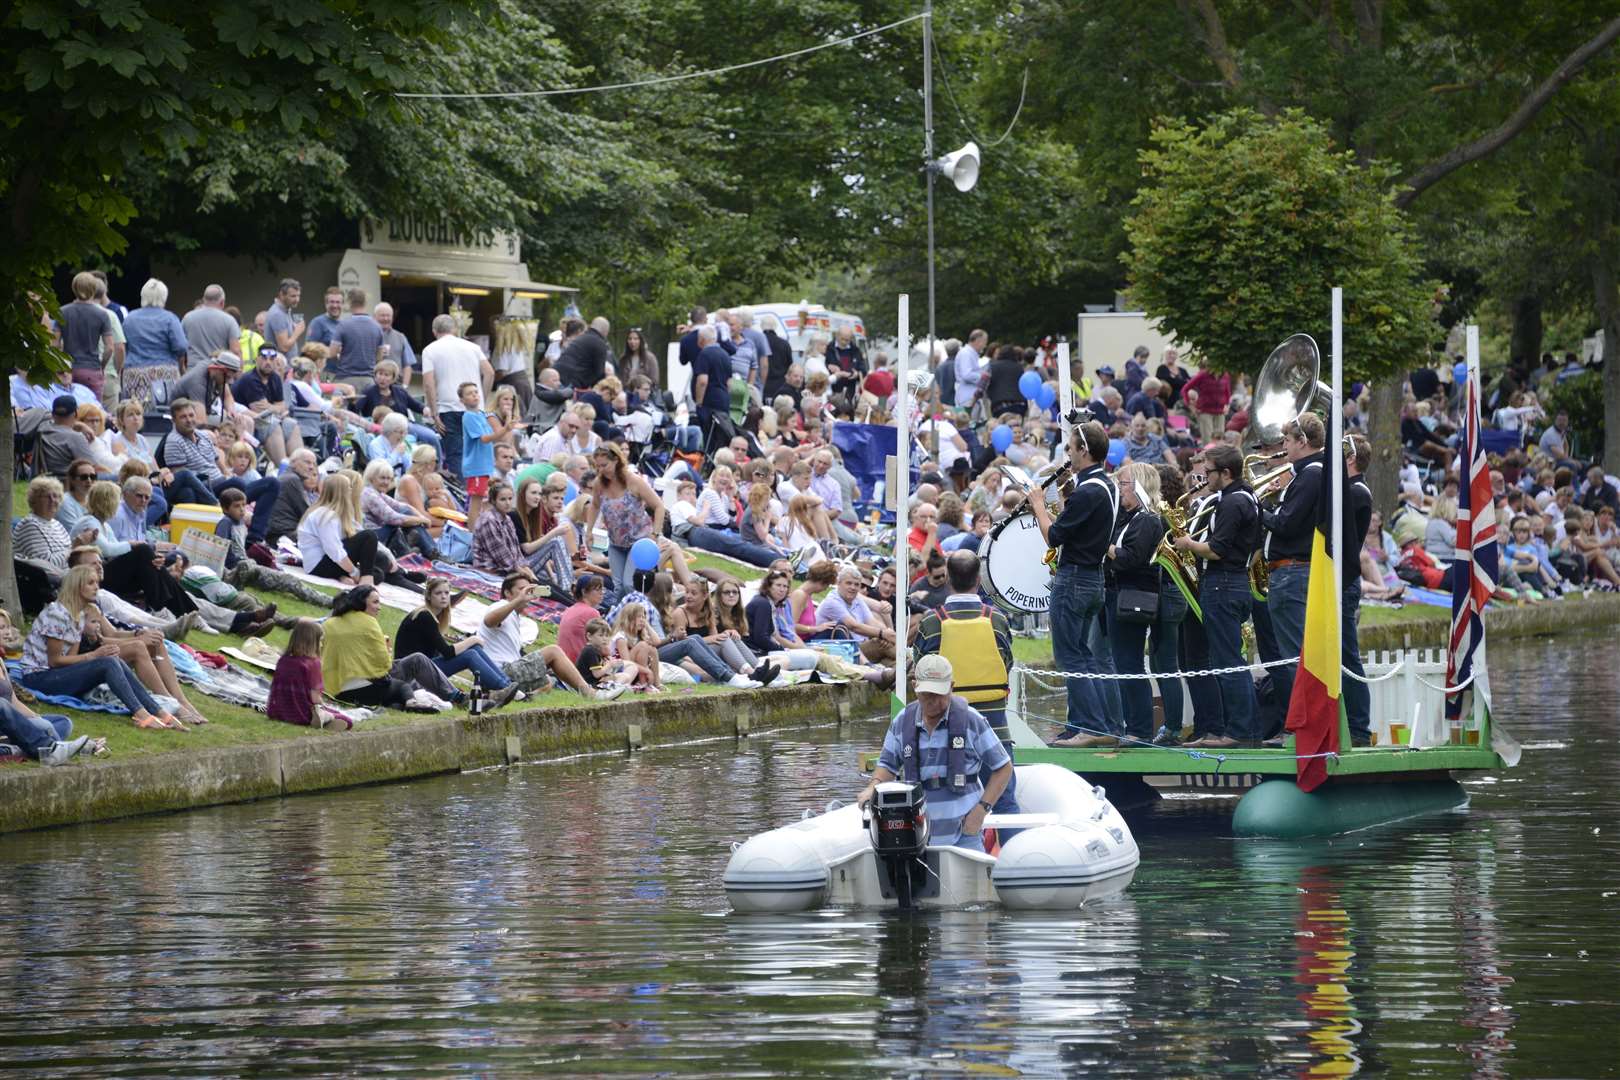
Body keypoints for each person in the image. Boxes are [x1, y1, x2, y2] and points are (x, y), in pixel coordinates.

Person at [856, 654, 1013, 853]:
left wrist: (982, 810)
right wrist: (873, 787)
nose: (933, 701)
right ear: (915, 686)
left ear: (952, 686)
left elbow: (1003, 767)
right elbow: (887, 765)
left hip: (964, 835)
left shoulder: (971, 721)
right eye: (927, 694)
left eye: (939, 694)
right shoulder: (903, 722)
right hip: (916, 835)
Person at [1029, 420, 1119, 746]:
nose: (1068, 453)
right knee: (1085, 654)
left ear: (1084, 450)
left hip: (1076, 578)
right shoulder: (1107, 486)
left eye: (1070, 448)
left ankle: (1091, 729)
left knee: (1071, 656)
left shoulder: (1089, 491)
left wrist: (1039, 505)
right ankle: (1102, 726)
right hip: (1093, 577)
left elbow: (1053, 537)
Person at [15, 565, 183, 731]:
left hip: (56, 674)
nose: (97, 587)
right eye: (91, 583)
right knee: (107, 663)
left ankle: (158, 711)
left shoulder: (78, 615)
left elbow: (71, 660)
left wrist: (101, 655)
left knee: (112, 660)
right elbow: (55, 661)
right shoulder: (57, 614)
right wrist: (94, 656)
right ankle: (142, 714)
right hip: (39, 677)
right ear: (77, 586)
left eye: (96, 582)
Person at [1174, 445, 1262, 747]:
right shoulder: (1248, 497)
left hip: (1222, 583)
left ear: (1226, 473)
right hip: (1235, 580)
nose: (1205, 477)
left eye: (1209, 471)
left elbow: (1216, 548)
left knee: (1227, 661)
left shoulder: (1232, 502)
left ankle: (1239, 731)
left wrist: (1187, 543)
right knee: (1229, 659)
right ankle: (1245, 729)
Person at [1259, 413, 1325, 712]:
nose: (1283, 446)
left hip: (1291, 570)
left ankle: (1300, 725)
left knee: (1292, 655)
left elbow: (1286, 524)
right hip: (1293, 570)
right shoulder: (1308, 473)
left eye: (1287, 440)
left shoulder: (1310, 473)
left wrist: (1255, 506)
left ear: (1303, 442)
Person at [480, 573, 627, 699]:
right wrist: (518, 600)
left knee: (548, 682)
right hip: (498, 672)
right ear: (507, 593)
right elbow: (488, 621)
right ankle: (591, 694)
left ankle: (515, 698)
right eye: (521, 590)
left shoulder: (514, 616)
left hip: (504, 672)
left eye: (529, 590)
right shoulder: (499, 605)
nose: (526, 593)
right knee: (553, 651)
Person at [1101, 463, 1166, 741]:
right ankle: (1129, 725)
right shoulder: (1127, 516)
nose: (1120, 489)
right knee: (1121, 662)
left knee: (1130, 664)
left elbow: (1131, 558)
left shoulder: (1147, 519)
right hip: (1117, 593)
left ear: (1139, 486)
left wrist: (1103, 543)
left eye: (1124, 484)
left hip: (1132, 596)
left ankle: (1139, 729)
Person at [321, 586, 463, 709]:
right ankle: (457, 697)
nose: (379, 607)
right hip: (366, 682)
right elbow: (384, 664)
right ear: (361, 602)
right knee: (417, 661)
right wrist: (387, 652)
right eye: (375, 602)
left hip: (335, 687)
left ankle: (440, 697)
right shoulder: (368, 622)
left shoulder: (330, 623)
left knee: (411, 681)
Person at [582, 443, 668, 592]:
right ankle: (622, 613)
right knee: (618, 586)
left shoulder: (634, 481)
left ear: (616, 460)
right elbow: (595, 505)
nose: (601, 470)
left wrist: (655, 534)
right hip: (616, 543)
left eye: (604, 465)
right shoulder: (599, 483)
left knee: (629, 584)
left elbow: (659, 506)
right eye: (598, 466)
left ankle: (636, 611)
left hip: (638, 542)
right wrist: (589, 531)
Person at [421, 314, 493, 476]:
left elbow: (428, 383)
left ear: (434, 332)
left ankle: (462, 493)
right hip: (474, 409)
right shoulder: (473, 347)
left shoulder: (430, 350)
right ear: (454, 329)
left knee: (456, 455)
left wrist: (434, 412)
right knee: (477, 452)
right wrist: (482, 398)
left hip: (448, 408)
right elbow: (489, 373)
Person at [268, 618, 351, 729]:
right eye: (320, 641)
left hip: (277, 712)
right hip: (302, 715)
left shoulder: (283, 660)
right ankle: (324, 718)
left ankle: (323, 720)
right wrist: (323, 705)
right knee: (347, 720)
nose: (321, 645)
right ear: (313, 642)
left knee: (331, 712)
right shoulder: (313, 663)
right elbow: (315, 698)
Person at [298, 473, 380, 584]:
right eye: (349, 488)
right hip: (319, 565)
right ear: (342, 492)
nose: (351, 490)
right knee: (369, 536)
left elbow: (357, 532)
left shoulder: (335, 513)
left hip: (328, 562)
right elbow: (334, 550)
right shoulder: (326, 515)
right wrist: (354, 572)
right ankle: (366, 582)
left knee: (379, 571)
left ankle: (341, 576)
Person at [459, 381, 515, 528]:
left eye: (476, 392)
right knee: (475, 503)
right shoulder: (469, 416)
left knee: (483, 502)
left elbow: (497, 436)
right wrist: (505, 429)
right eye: (469, 394)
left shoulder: (482, 415)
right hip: (476, 466)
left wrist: (507, 419)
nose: (474, 396)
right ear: (462, 400)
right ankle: (472, 535)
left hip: (484, 466)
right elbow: (484, 439)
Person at [817, 565, 897, 665]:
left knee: (890, 661)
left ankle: (904, 672)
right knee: (879, 643)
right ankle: (910, 657)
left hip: (860, 647)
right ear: (839, 583)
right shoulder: (832, 601)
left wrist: (886, 634)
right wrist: (883, 634)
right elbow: (854, 626)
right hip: (841, 650)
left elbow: (872, 622)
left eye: (856, 585)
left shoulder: (857, 599)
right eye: (849, 583)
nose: (853, 587)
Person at [326, 288, 384, 393]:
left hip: (345, 380)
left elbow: (332, 353)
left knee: (339, 409)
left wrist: (342, 356)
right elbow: (379, 357)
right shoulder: (377, 327)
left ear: (349, 302)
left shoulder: (343, 325)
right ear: (365, 302)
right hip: (369, 381)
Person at [555, 316, 612, 389]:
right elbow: (599, 374)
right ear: (606, 331)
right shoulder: (599, 343)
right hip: (569, 382)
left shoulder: (582, 337)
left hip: (556, 376)